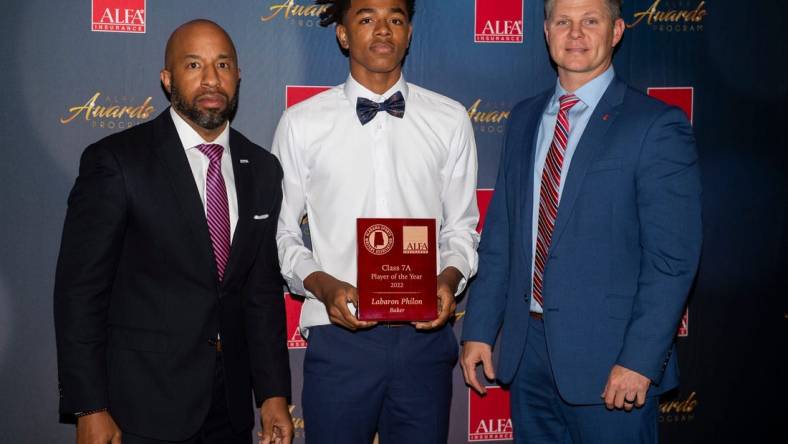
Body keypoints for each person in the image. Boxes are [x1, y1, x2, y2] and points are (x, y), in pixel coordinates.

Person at [460, 0, 702, 442]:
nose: (575, 34)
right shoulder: (524, 118)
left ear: (616, 32)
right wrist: (478, 329)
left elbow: (672, 261)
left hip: (613, 363)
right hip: (526, 354)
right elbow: (501, 238)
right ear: (547, 32)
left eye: (591, 21)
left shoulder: (656, 126)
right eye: (563, 22)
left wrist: (639, 360)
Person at [54, 19, 293, 444]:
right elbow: (80, 293)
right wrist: (89, 406)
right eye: (193, 65)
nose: (210, 79)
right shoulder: (117, 162)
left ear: (238, 76)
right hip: (140, 408)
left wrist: (272, 393)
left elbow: (260, 293)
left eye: (222, 64)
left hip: (230, 408)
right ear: (168, 80)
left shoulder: (261, 168)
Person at [272, 0, 479, 442]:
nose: (383, 29)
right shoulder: (301, 123)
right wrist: (323, 286)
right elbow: (282, 233)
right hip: (340, 340)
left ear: (408, 33)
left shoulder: (450, 119)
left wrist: (447, 279)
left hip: (424, 340)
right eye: (367, 18)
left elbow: (462, 228)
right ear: (343, 34)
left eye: (396, 19)